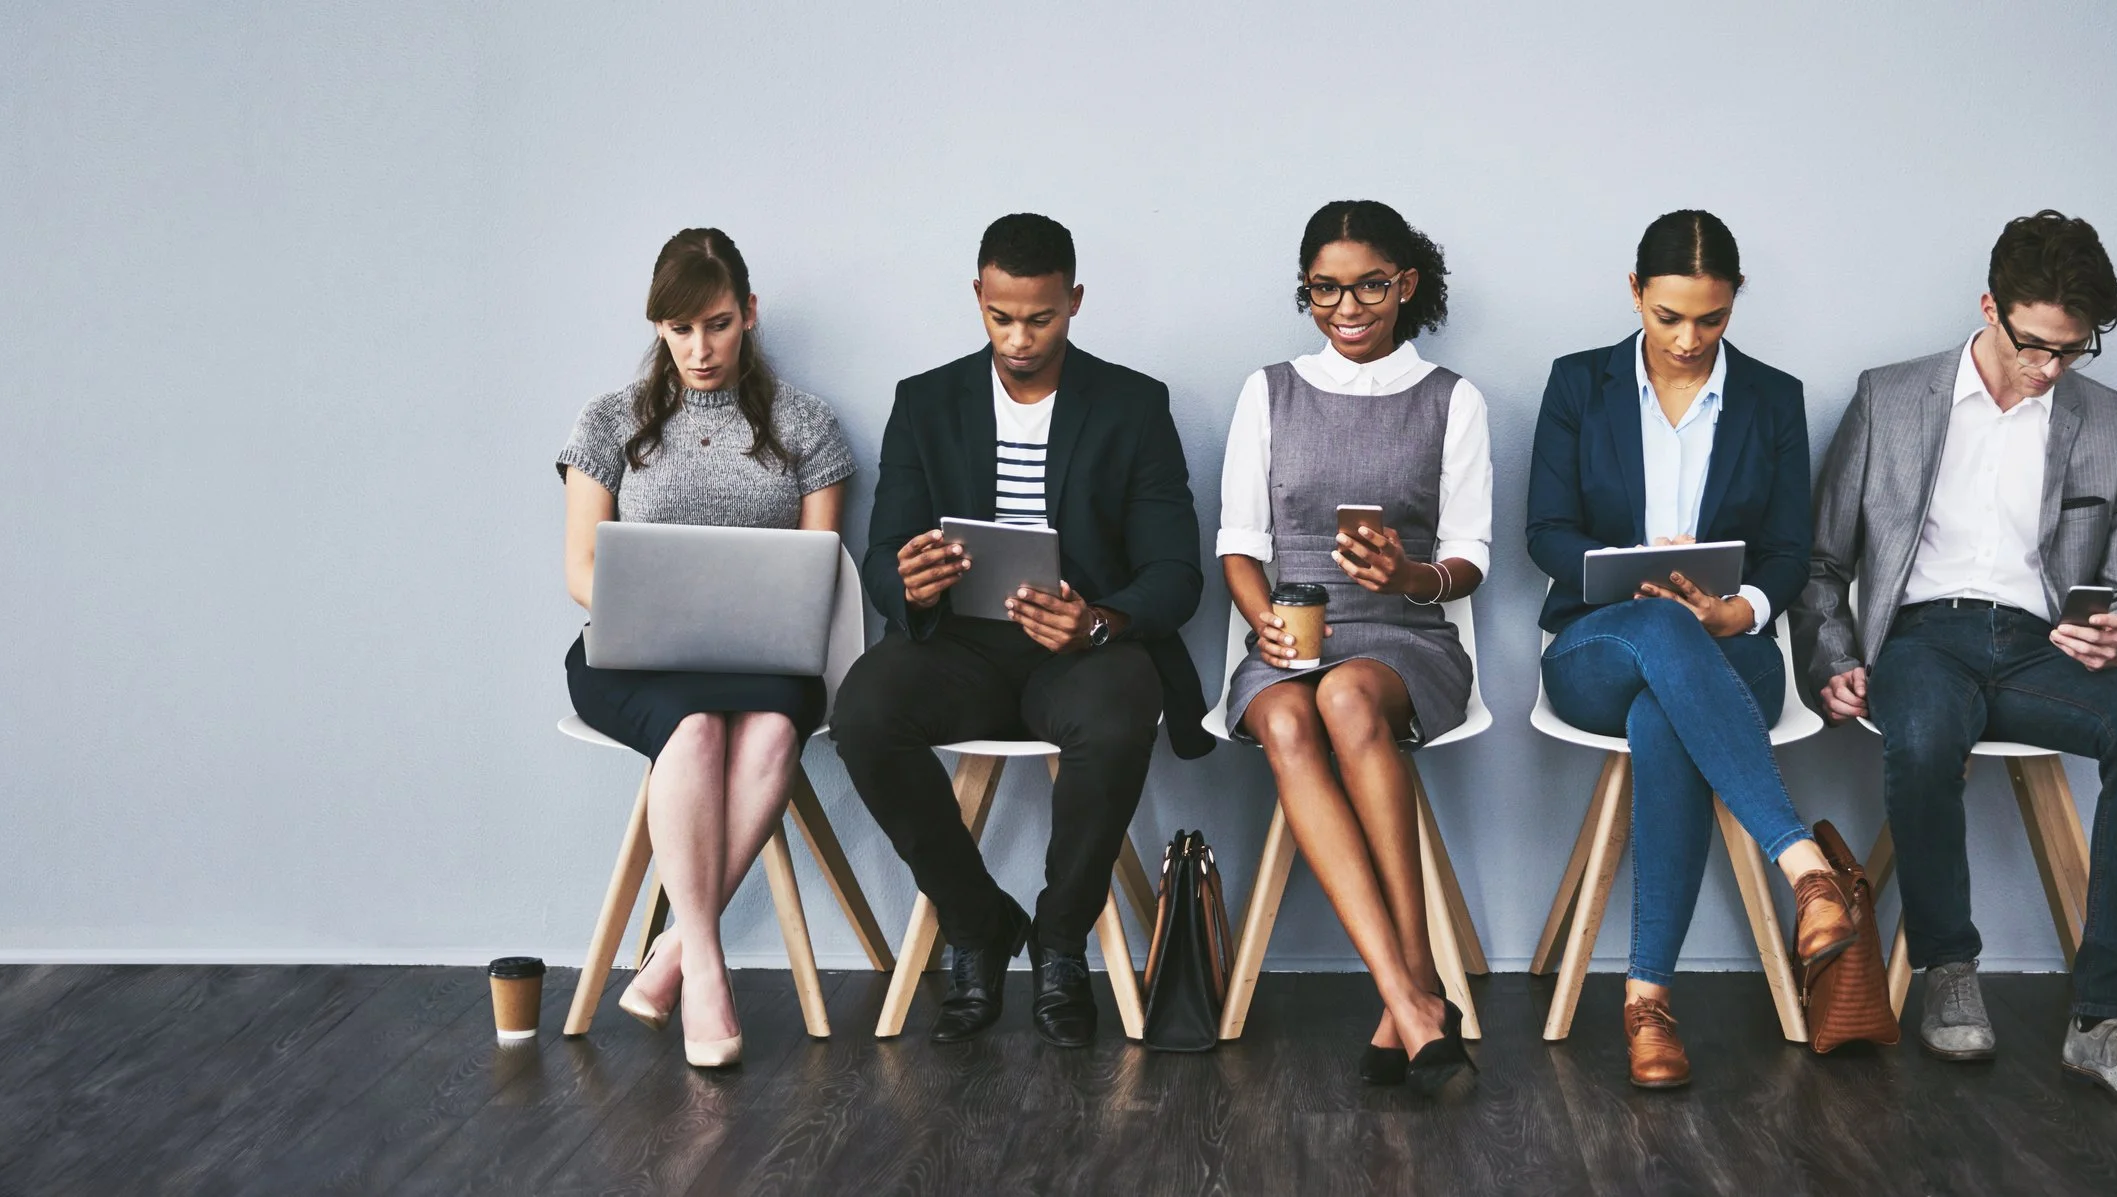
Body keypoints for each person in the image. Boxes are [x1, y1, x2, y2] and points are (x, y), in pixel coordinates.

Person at [1797, 211, 2117, 1110]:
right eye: (2033, 345)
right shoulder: (1890, 397)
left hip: (2036, 647)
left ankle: (2107, 1019)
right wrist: (1829, 655)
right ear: (1989, 306)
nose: (2049, 367)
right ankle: (1948, 965)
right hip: (1919, 637)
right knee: (1929, 727)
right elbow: (1822, 563)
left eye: (2071, 351)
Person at [829, 213, 1211, 1048]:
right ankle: (976, 924)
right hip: (960, 647)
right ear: (978, 297)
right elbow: (881, 552)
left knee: (1117, 715)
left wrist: (1099, 620)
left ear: (1074, 301)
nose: (1019, 336)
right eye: (1001, 316)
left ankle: (1062, 939)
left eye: (1040, 317)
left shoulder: (1133, 405)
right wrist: (909, 581)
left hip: (1078, 653)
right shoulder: (924, 402)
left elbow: (1177, 573)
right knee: (862, 712)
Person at [1526, 209, 1856, 1089]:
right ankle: (1805, 867)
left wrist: (1739, 609)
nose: (1687, 337)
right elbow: (1545, 531)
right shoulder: (1576, 385)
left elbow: (1790, 551)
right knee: (1657, 639)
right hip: (1594, 643)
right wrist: (1622, 580)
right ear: (1634, 292)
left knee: (1665, 709)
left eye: (1710, 318)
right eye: (1668, 315)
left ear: (1735, 302)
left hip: (1730, 650)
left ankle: (1647, 1002)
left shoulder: (1773, 398)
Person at [556, 229, 856, 1069]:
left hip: (768, 657)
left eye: (718, 324)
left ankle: (675, 955)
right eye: (679, 328)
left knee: (764, 731)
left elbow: (819, 569)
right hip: (637, 654)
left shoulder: (806, 423)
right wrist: (657, 604)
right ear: (657, 326)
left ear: (749, 315)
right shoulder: (610, 419)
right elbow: (581, 569)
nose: (700, 348)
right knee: (691, 730)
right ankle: (708, 968)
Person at [1216, 200, 1488, 1096]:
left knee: (1343, 698)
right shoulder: (1270, 390)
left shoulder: (1453, 399)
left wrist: (1409, 575)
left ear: (1405, 284)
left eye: (1369, 284)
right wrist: (1265, 624)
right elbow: (1239, 543)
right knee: (1293, 719)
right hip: (1284, 632)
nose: (1347, 306)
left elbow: (1470, 560)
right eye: (1324, 289)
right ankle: (1413, 998)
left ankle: (1407, 992)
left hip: (1404, 635)